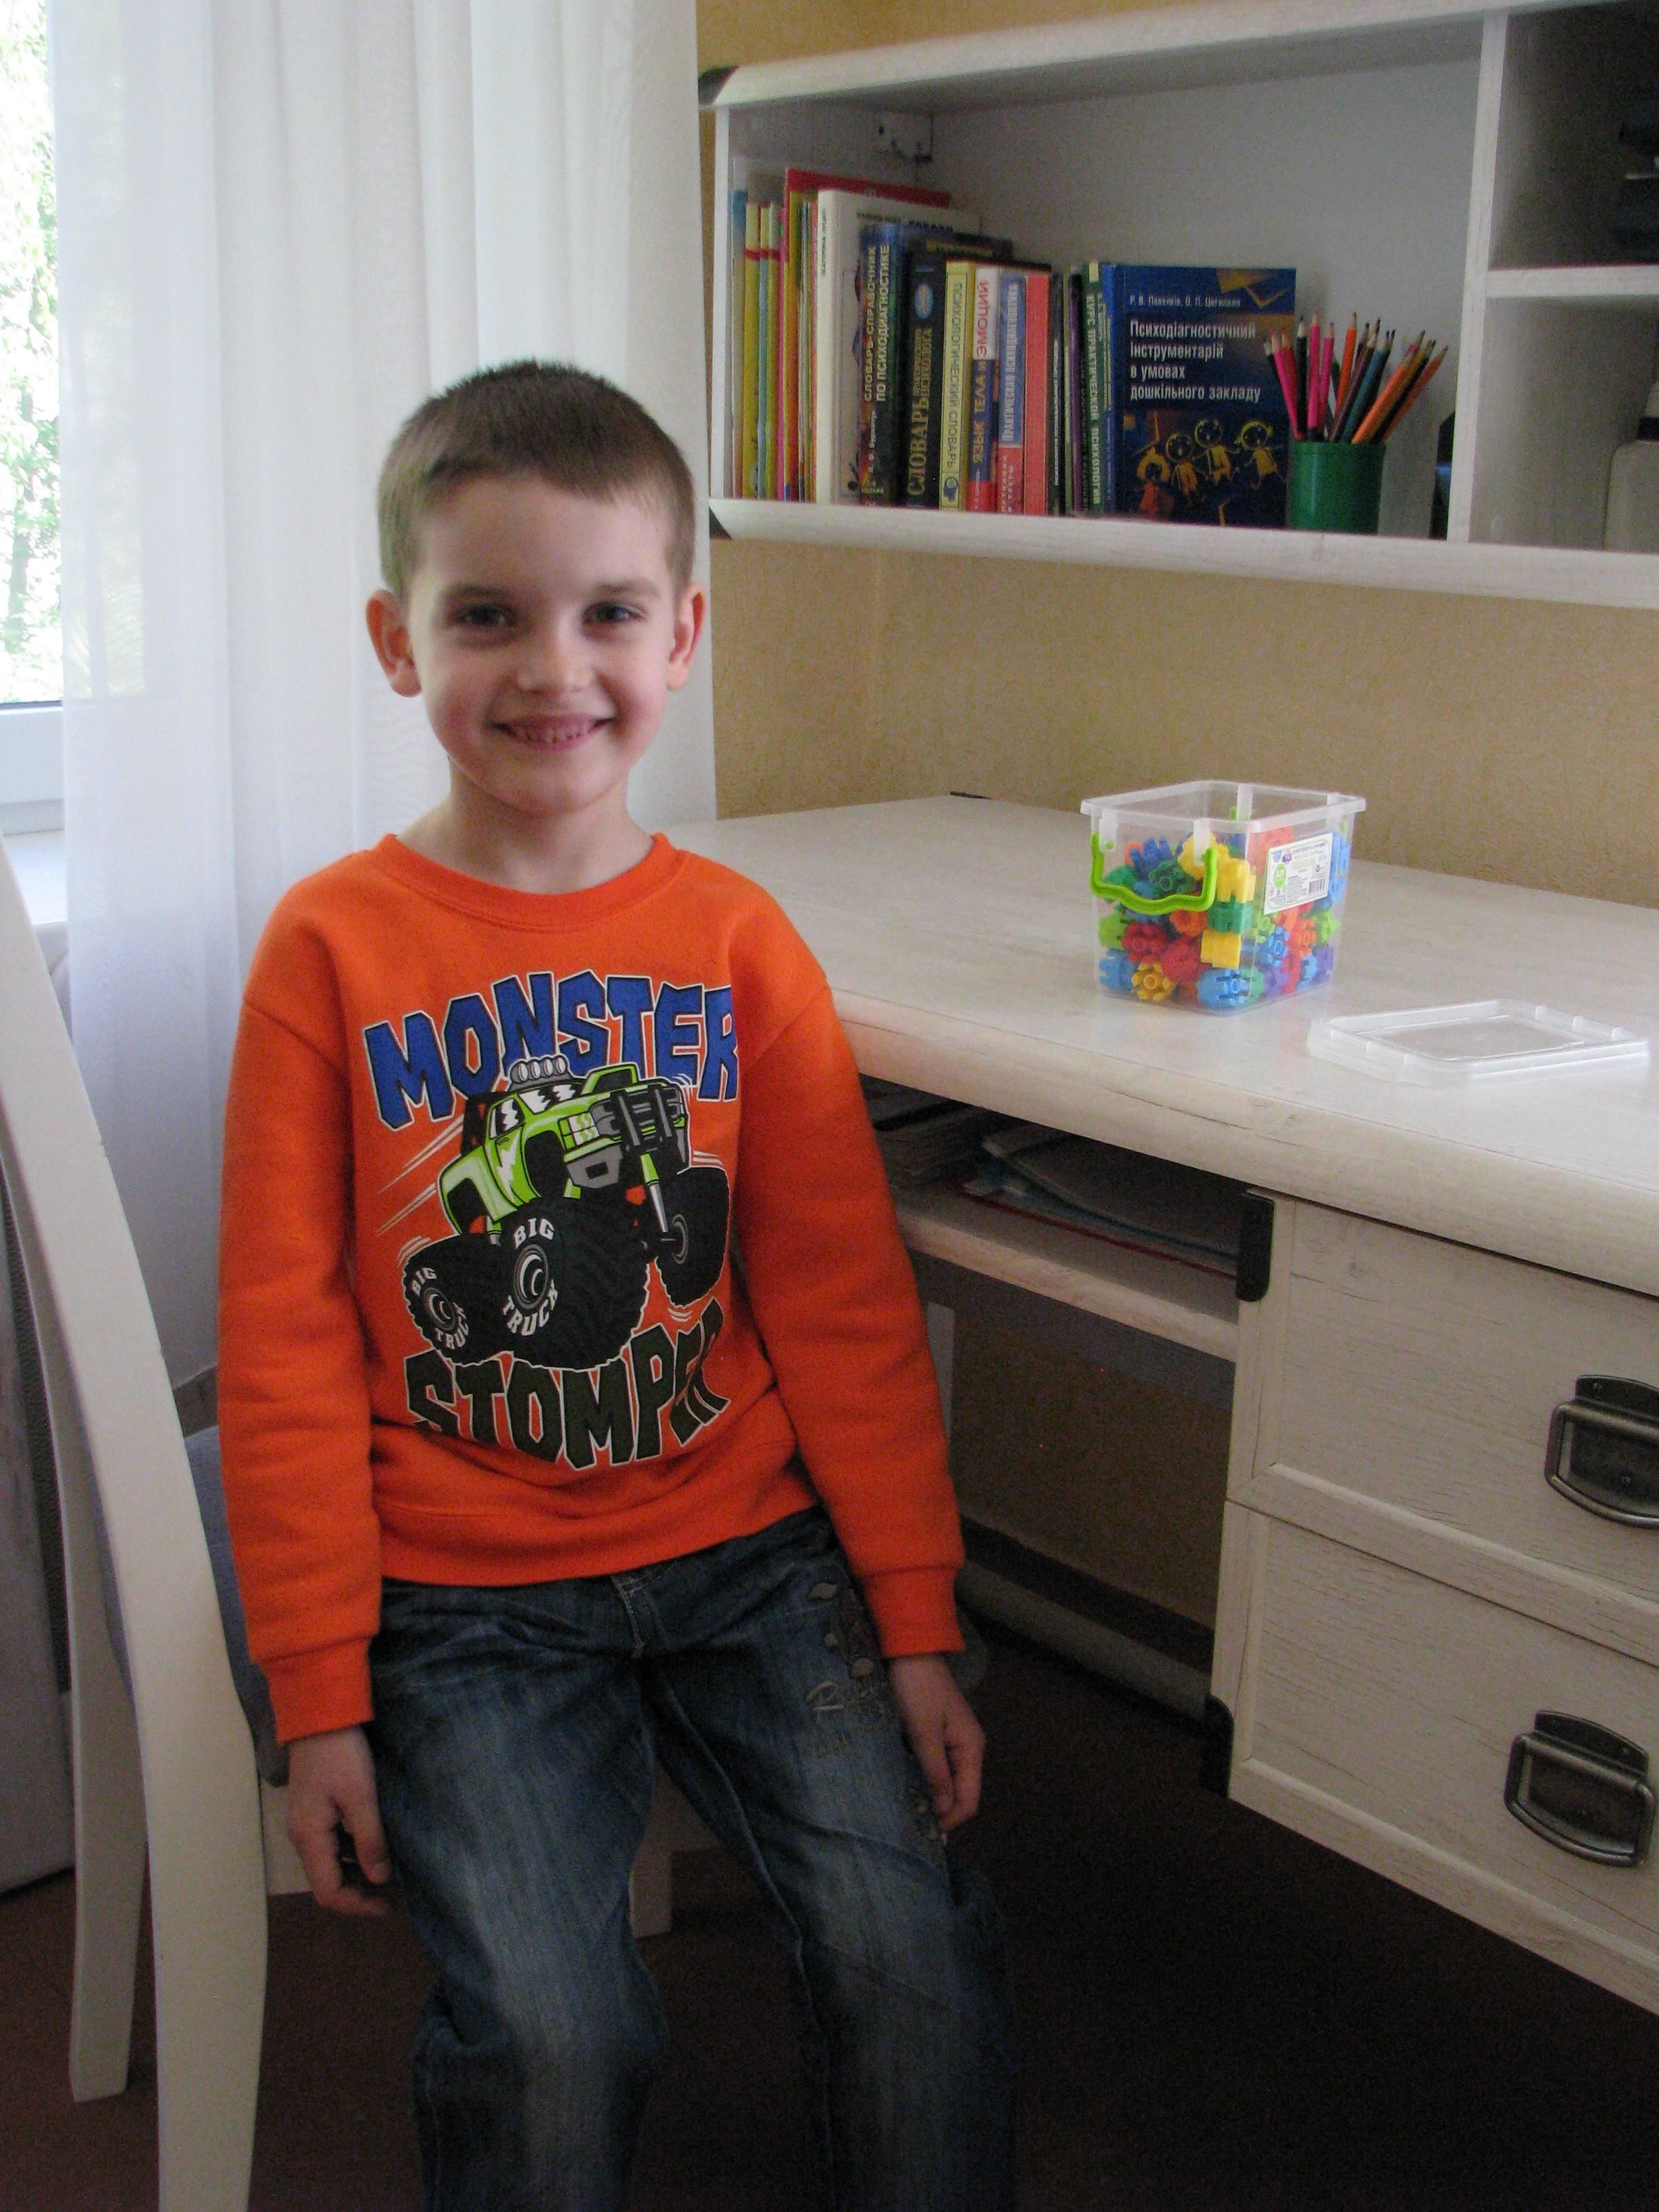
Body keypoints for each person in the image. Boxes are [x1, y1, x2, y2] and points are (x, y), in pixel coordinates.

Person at [218, 359, 1017, 2212]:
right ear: (397, 642)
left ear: (685, 636)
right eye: (486, 615)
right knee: (551, 2029)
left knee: (909, 1948)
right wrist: (317, 1690)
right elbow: (282, 1344)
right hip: (461, 1591)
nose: (552, 668)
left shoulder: (737, 941)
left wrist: (914, 1617)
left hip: (749, 1550)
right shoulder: (329, 949)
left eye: (608, 613)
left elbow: (842, 1304)